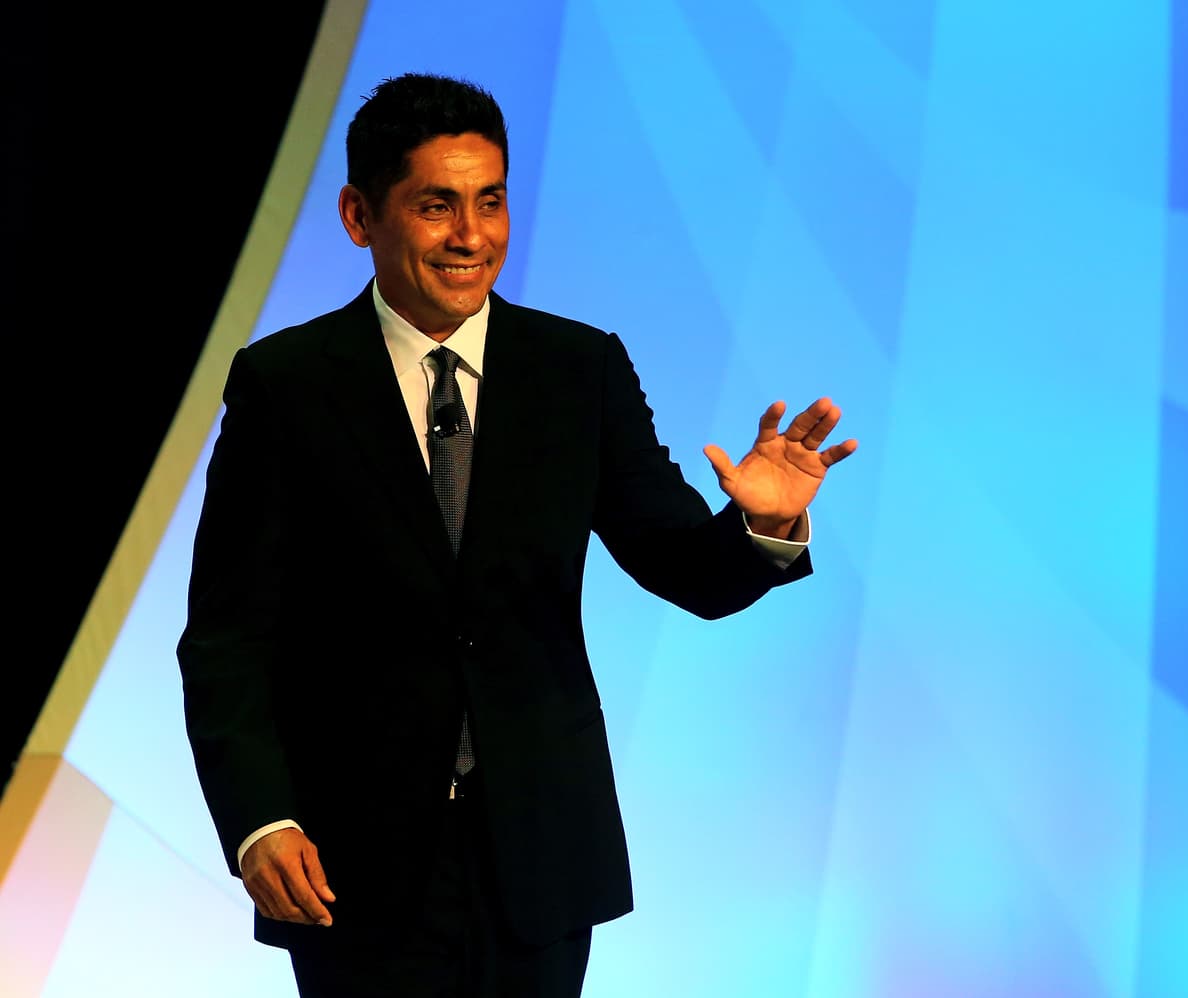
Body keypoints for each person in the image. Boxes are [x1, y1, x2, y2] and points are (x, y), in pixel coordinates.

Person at [177, 71, 857, 998]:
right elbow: (227, 638)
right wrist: (261, 821)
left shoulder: (578, 369)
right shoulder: (285, 385)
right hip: (352, 866)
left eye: (490, 202)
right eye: (436, 205)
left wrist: (762, 525)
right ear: (357, 215)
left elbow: (683, 569)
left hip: (540, 851)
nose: (471, 236)